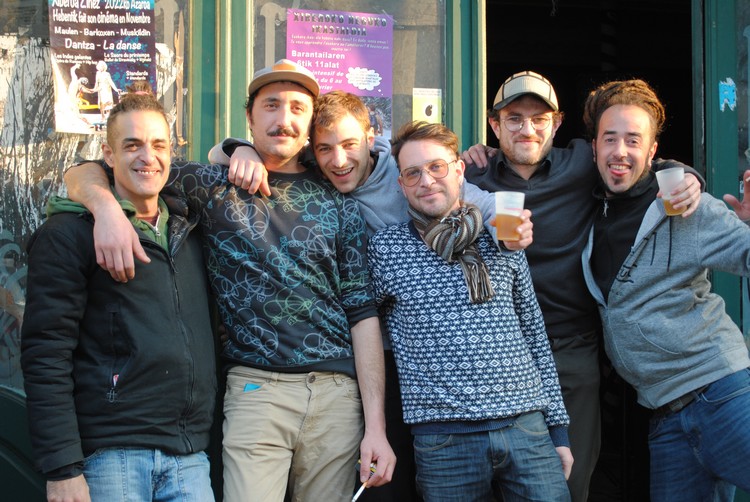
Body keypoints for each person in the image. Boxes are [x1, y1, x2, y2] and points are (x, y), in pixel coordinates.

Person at [63, 59, 395, 502]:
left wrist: (376, 427)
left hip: (336, 394)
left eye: (297, 108)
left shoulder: (337, 198)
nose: (284, 118)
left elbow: (362, 312)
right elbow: (85, 171)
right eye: (271, 105)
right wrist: (106, 210)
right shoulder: (209, 184)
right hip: (256, 391)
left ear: (309, 124)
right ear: (250, 118)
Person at [208, 90, 533, 501]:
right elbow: (233, 152)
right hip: (363, 360)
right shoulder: (314, 171)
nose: (339, 160)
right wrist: (238, 150)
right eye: (325, 149)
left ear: (370, 137)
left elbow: (475, 198)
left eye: (349, 145)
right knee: (377, 483)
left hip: (428, 361)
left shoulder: (404, 172)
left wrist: (508, 224)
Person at [461, 70, 702, 502]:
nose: (527, 129)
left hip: (570, 346)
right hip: (497, 351)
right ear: (494, 125)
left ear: (557, 124)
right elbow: (421, 180)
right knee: (496, 480)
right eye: (513, 118)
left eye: (540, 119)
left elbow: (637, 162)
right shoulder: (474, 175)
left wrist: (684, 174)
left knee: (569, 481)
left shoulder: (581, 163)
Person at [21, 81, 217, 502]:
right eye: (132, 145)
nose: (148, 157)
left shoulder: (191, 227)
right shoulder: (70, 234)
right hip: (111, 458)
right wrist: (62, 468)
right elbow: (46, 352)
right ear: (107, 155)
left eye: (159, 145)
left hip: (189, 457)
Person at [367, 120, 572, 501]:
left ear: (459, 170)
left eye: (437, 167)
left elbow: (534, 333)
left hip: (526, 427)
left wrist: (558, 431)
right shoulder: (386, 248)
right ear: (401, 185)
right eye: (413, 173)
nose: (426, 181)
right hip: (443, 439)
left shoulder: (501, 234)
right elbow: (364, 333)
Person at [580, 78, 750, 502]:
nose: (620, 151)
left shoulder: (687, 206)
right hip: (665, 418)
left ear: (652, 150)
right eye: (610, 138)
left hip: (722, 395)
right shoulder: (590, 207)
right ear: (594, 147)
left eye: (633, 140)